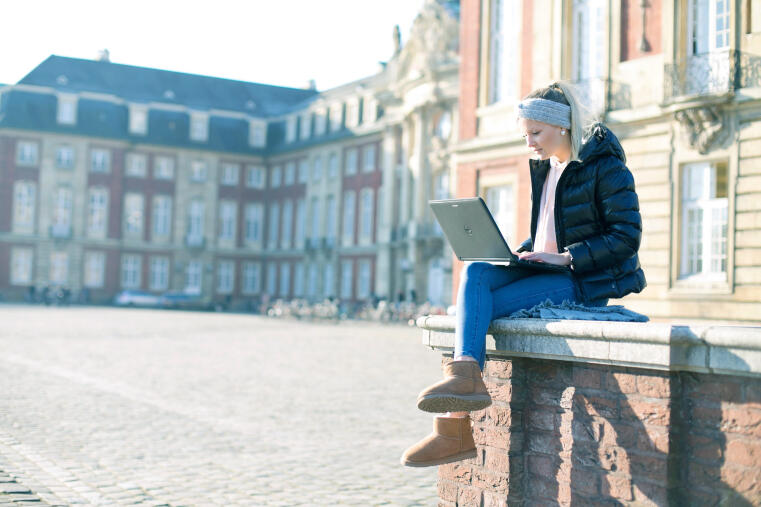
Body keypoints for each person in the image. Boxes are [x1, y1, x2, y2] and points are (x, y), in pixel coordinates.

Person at [400, 81, 646, 467]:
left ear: (562, 126)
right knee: (478, 270)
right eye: (525, 134)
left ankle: (454, 430)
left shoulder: (606, 167)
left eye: (536, 133)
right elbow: (552, 228)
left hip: (581, 280)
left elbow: (626, 238)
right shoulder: (548, 168)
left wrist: (566, 259)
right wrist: (522, 252)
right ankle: (465, 377)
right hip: (547, 270)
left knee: (483, 308)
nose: (529, 142)